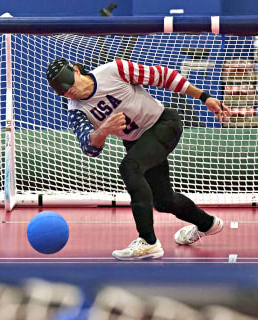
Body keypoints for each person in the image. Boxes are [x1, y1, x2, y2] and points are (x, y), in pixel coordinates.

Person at [46, 57, 233, 261]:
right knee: (163, 201)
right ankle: (207, 224)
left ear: (76, 70)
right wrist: (104, 131)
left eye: (69, 84)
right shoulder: (76, 111)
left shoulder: (114, 71)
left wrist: (204, 96)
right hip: (137, 142)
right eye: (62, 91)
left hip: (163, 125)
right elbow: (90, 148)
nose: (69, 92)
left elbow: (164, 76)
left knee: (130, 168)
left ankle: (148, 241)